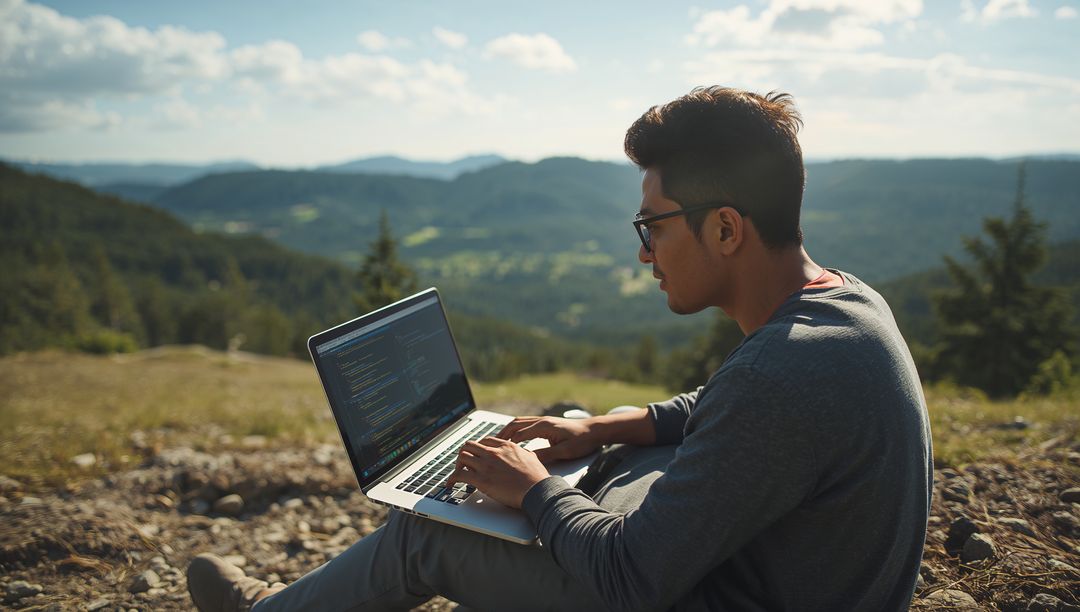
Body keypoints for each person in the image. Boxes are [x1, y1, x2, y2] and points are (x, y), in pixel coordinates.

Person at [188, 86, 933, 611]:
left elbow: (630, 579)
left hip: (708, 591)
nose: (646, 254)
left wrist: (535, 492)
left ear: (727, 229)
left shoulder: (781, 372)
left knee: (424, 536)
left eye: (654, 226)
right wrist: (593, 430)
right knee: (583, 424)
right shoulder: (843, 303)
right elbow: (718, 410)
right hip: (772, 575)